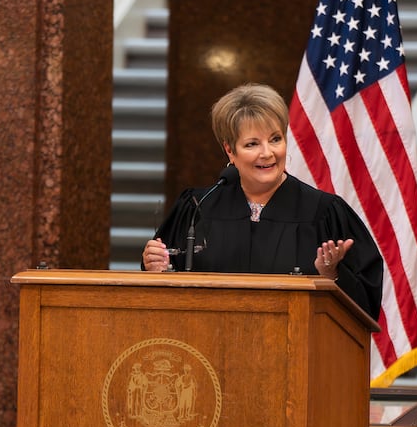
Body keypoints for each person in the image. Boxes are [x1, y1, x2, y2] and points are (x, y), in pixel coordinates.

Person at [142, 83, 383, 320]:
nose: (267, 153)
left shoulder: (324, 213)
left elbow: (365, 305)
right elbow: (163, 294)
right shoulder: (197, 208)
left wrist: (332, 276)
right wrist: (155, 270)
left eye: (275, 139)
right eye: (252, 144)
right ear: (230, 150)